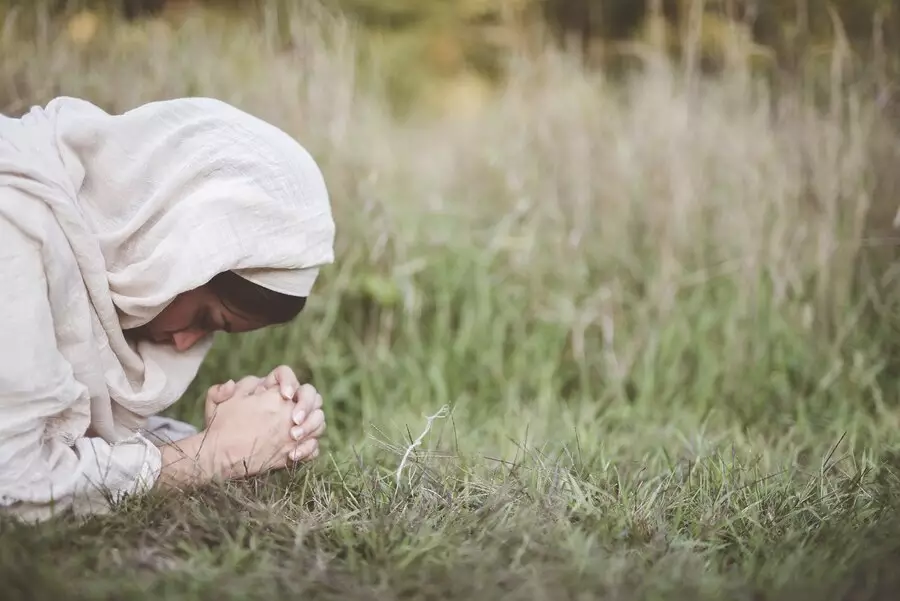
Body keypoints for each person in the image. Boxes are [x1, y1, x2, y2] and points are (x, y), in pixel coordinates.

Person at [0, 96, 336, 522]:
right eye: (205, 319)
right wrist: (208, 456)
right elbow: (14, 483)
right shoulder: (14, 221)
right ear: (179, 248)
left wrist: (231, 436)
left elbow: (59, 438)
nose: (183, 343)